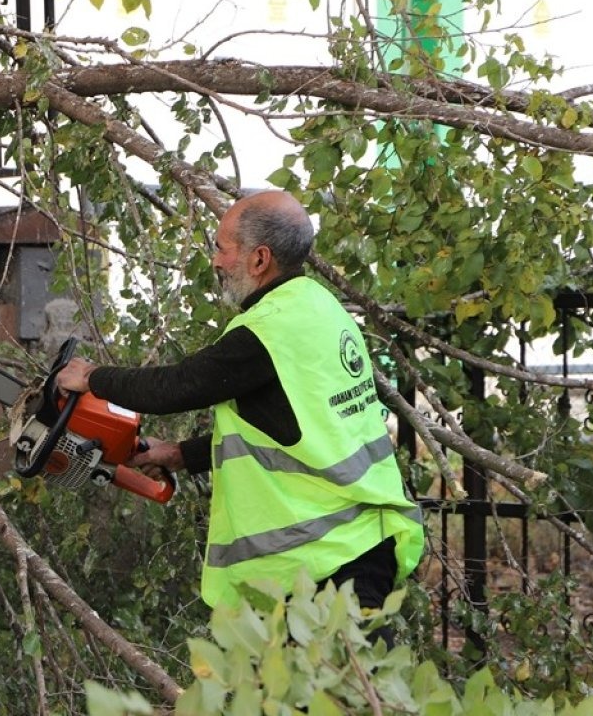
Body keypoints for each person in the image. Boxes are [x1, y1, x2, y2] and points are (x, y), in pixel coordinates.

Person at [55, 190, 424, 615]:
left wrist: (92, 377)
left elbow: (179, 386)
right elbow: (289, 427)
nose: (215, 261)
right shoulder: (319, 307)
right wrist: (179, 454)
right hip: (352, 548)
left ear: (259, 259)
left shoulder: (269, 329)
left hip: (325, 564)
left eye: (221, 248)